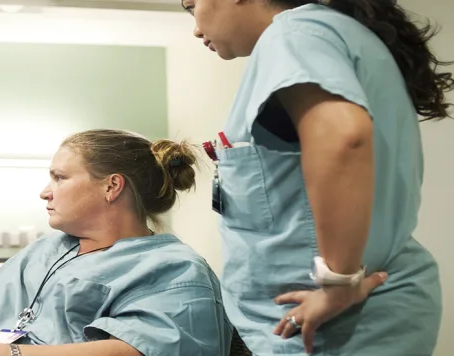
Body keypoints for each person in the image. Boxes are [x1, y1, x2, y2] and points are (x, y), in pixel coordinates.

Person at [181, 0, 452, 354]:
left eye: (191, 5)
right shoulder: (330, 35)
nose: (196, 28)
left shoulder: (293, 35)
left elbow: (343, 140)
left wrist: (338, 284)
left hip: (333, 329)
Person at [0, 129, 233, 356]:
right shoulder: (51, 249)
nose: (45, 191)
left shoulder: (173, 269)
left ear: (112, 187)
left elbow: (141, 348)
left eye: (60, 178)